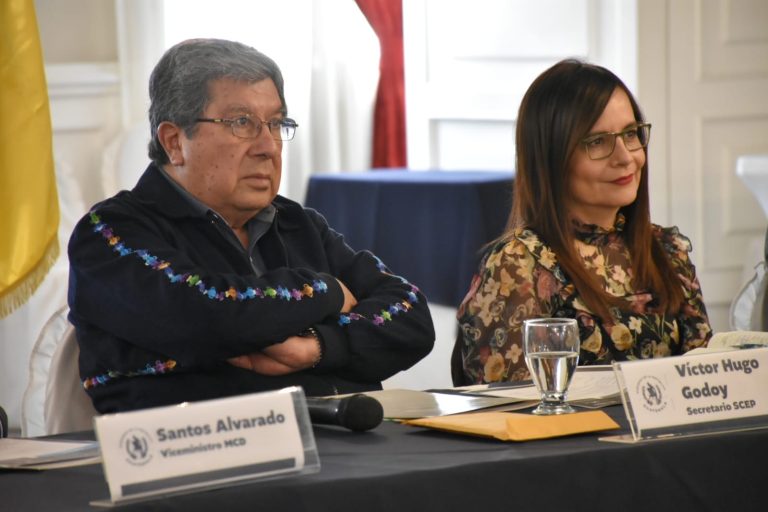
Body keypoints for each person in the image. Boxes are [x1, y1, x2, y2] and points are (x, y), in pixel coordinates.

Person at [68, 38, 435, 413]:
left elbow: (410, 312)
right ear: (175, 142)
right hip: (207, 443)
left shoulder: (298, 223)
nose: (268, 147)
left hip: (348, 435)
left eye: (276, 124)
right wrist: (326, 291)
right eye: (241, 123)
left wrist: (317, 347)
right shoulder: (110, 232)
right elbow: (210, 314)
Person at [452, 59, 711, 385]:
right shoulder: (519, 264)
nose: (626, 157)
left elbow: (704, 383)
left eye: (630, 134)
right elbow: (508, 404)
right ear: (552, 156)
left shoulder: (668, 248)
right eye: (597, 141)